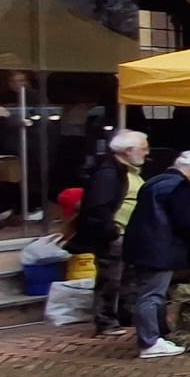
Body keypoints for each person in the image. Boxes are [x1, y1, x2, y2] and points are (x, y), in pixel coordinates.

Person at [123, 150, 190, 359]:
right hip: (159, 247)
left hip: (140, 244)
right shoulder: (180, 187)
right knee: (152, 295)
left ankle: (158, 336)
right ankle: (150, 342)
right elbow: (182, 222)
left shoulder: (154, 182)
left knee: (153, 292)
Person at [68, 128, 149, 338]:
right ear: (128, 150)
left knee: (126, 278)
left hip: (129, 234)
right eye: (143, 149)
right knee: (110, 279)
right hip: (115, 234)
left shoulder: (128, 171)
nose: (147, 153)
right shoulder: (109, 173)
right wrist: (111, 232)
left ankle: (123, 315)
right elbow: (98, 207)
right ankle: (105, 321)